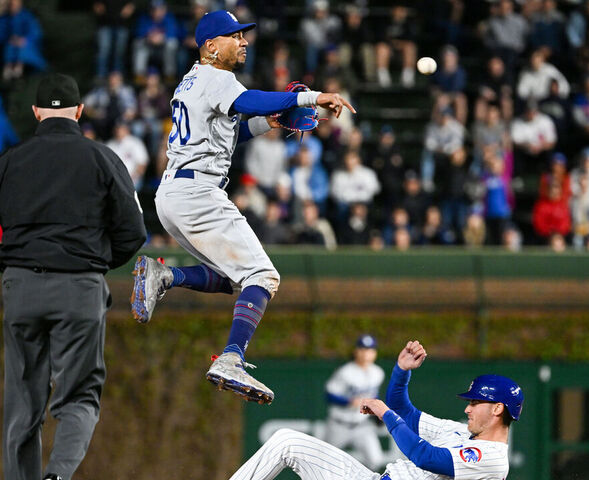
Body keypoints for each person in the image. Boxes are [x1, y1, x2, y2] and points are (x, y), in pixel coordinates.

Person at [130, 10, 355, 405]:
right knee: (264, 277)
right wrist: (310, 97)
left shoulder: (192, 82)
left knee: (239, 280)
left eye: (243, 35)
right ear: (210, 46)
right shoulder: (217, 78)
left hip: (176, 194)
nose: (244, 41)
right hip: (198, 194)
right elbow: (248, 100)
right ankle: (231, 358)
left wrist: (271, 122)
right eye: (234, 36)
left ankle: (164, 276)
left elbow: (231, 133)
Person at [0, 73, 146, 480]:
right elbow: (133, 231)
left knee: (21, 405)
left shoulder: (9, 161)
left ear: (35, 112)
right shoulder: (103, 159)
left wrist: (10, 265)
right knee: (78, 399)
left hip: (20, 287)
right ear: (80, 111)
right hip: (79, 286)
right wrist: (94, 264)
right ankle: (57, 476)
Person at [229, 340, 524, 480]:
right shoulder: (460, 431)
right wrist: (401, 372)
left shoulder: (493, 460)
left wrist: (385, 414)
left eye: (475, 402)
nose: (469, 408)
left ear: (498, 409)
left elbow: (426, 457)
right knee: (286, 442)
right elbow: (403, 410)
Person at [324, 334, 386, 470]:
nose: (366, 353)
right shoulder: (345, 372)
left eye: (370, 350)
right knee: (324, 462)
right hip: (339, 425)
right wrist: (348, 401)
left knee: (376, 460)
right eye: (362, 349)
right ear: (356, 351)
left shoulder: (378, 373)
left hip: (362, 426)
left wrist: (377, 415)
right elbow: (329, 396)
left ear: (374, 353)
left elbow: (373, 396)